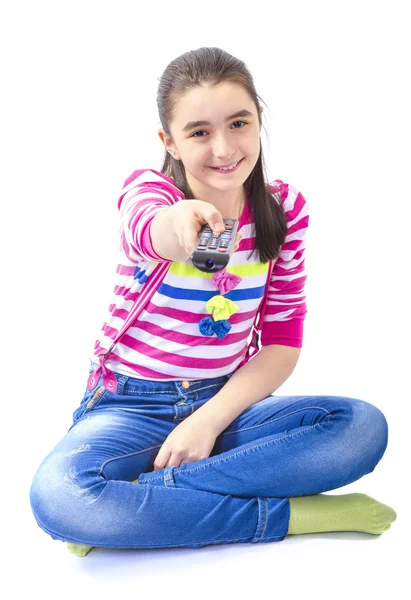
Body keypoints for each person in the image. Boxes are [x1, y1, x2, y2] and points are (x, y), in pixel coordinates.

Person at [29, 47, 397, 557]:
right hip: (129, 405)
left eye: (239, 123)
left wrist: (207, 421)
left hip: (225, 402)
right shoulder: (151, 192)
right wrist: (183, 226)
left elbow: (282, 345)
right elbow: (149, 229)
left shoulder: (283, 209)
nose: (223, 148)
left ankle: (134, 506)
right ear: (170, 143)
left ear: (259, 122)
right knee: (58, 496)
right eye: (199, 132)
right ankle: (287, 516)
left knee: (360, 427)